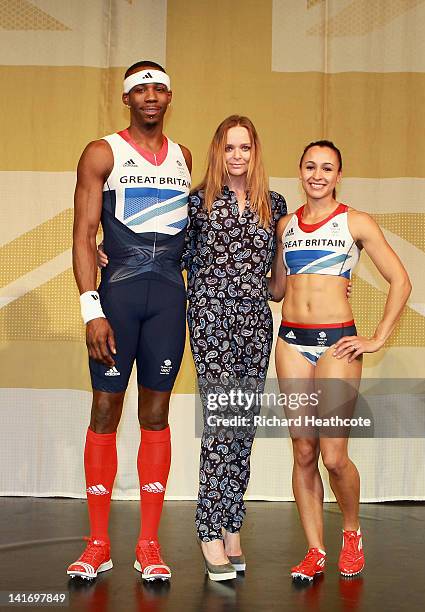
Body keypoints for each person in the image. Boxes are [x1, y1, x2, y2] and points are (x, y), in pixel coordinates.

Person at [68, 60, 192, 582]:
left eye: (159, 87)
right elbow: (82, 235)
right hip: (116, 301)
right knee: (104, 410)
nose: (150, 95)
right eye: (140, 88)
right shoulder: (102, 152)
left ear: (169, 96)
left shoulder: (184, 157)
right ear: (126, 99)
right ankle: (98, 544)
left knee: (156, 416)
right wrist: (91, 309)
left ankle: (148, 544)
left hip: (168, 300)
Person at [270, 140, 411, 580]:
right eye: (310, 166)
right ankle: (315, 551)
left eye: (327, 168)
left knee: (333, 456)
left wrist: (376, 338)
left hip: (337, 345)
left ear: (338, 175)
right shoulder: (285, 225)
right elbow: (276, 288)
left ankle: (351, 531)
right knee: (303, 450)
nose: (318, 174)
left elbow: (401, 281)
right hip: (291, 341)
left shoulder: (356, 222)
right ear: (300, 171)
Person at [183, 116, 288, 580]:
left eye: (245, 147)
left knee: (243, 428)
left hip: (256, 323)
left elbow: (279, 284)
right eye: (230, 147)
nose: (238, 155)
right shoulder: (198, 202)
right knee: (221, 424)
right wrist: (110, 250)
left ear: (256, 150)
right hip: (211, 320)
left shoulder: (275, 203)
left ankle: (231, 527)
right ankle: (208, 529)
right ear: (218, 151)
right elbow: (169, 256)